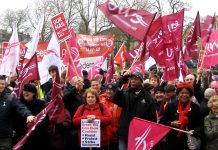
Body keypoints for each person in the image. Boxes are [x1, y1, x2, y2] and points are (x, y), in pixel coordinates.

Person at [113, 72, 156, 150]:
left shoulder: (148, 98)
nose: (133, 81)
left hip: (141, 134)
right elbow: (116, 100)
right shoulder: (126, 93)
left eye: (135, 79)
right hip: (125, 132)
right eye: (131, 79)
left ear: (141, 81)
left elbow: (152, 117)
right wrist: (120, 83)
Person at [160, 82, 203, 150]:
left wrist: (195, 131)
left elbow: (200, 125)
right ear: (178, 94)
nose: (184, 95)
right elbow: (162, 122)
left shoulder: (195, 108)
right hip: (172, 142)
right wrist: (171, 123)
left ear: (190, 95)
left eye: (187, 93)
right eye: (182, 93)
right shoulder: (170, 106)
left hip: (188, 143)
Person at [0, 75, 35, 150]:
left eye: (2, 84)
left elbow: (20, 107)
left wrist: (28, 115)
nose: (1, 86)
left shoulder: (10, 98)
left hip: (5, 137)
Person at [13, 83, 49, 150]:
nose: (26, 93)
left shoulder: (41, 104)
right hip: (22, 138)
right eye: (24, 91)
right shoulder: (18, 103)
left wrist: (34, 128)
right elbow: (15, 121)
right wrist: (23, 130)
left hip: (38, 138)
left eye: (28, 91)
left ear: (34, 93)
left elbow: (45, 120)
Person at [99, 83, 121, 150]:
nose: (108, 91)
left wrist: (115, 130)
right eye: (107, 89)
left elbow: (118, 118)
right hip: (103, 134)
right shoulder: (100, 99)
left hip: (114, 134)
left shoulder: (119, 101)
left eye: (111, 90)